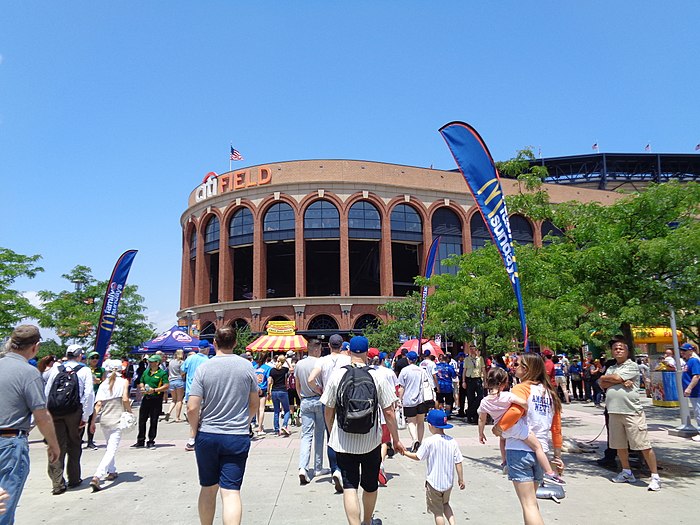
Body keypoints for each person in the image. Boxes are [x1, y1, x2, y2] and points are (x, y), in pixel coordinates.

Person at [321, 336, 406, 525]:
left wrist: (331, 430)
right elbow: (389, 412)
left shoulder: (337, 375)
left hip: (343, 441)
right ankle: (367, 521)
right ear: (367, 352)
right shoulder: (378, 376)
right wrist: (396, 439)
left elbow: (328, 410)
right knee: (369, 485)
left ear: (349, 351)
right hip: (371, 441)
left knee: (350, 485)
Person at [187, 325, 259, 525]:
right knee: (231, 492)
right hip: (237, 435)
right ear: (236, 343)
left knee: (208, 487)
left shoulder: (203, 368)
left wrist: (194, 431)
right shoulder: (246, 367)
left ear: (214, 343)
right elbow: (254, 403)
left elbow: (192, 407)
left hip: (208, 434)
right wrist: (244, 421)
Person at [493, 353, 563, 525]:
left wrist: (499, 428)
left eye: (517, 364)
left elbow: (515, 412)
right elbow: (557, 428)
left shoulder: (521, 388)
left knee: (528, 504)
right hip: (542, 451)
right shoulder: (550, 393)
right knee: (531, 503)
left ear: (528, 369)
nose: (513, 366)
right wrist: (557, 455)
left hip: (519, 449)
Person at [0, 325, 60, 522]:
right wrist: (53, 444)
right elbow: (41, 416)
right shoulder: (29, 373)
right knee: (4, 508)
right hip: (10, 443)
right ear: (36, 347)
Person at [478, 368, 565, 485]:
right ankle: (549, 472)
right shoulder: (507, 396)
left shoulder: (484, 401)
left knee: (502, 440)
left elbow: (481, 419)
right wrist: (526, 410)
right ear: (504, 383)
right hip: (516, 427)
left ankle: (504, 462)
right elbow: (521, 405)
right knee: (537, 447)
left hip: (503, 431)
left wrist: (481, 433)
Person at [600, 336, 661, 491]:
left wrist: (616, 379)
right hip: (614, 411)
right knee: (619, 445)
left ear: (627, 351)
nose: (618, 350)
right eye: (615, 349)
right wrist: (618, 381)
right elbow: (602, 382)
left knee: (642, 444)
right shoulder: (612, 367)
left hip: (631, 411)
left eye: (621, 348)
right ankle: (626, 472)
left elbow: (614, 378)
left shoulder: (632, 365)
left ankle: (654, 476)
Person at [44, 343, 95, 495]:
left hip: (56, 411)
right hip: (74, 412)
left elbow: (47, 392)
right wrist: (85, 416)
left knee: (57, 445)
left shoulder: (56, 369)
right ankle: (74, 478)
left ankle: (57, 483)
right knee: (74, 444)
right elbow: (89, 394)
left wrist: (48, 412)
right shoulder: (84, 370)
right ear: (80, 356)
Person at [402, 409, 464, 525]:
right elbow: (458, 461)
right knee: (445, 504)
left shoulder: (429, 441)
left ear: (430, 425)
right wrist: (461, 479)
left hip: (434, 483)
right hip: (448, 483)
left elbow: (418, 456)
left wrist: (404, 453)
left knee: (437, 512)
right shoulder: (452, 441)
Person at [308, 333, 350, 492]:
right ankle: (345, 470)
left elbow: (311, 379)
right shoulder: (348, 360)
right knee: (345, 435)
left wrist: (319, 390)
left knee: (330, 436)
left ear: (329, 346)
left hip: (328, 400)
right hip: (345, 400)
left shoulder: (322, 360)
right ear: (342, 346)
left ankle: (335, 470)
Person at [88, 359, 132, 491]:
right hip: (117, 417)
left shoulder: (103, 384)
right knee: (111, 449)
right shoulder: (124, 382)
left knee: (109, 446)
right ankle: (98, 475)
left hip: (105, 418)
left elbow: (98, 404)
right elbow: (125, 399)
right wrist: (130, 412)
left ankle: (112, 470)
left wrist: (92, 422)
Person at [295, 339, 326, 484]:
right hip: (319, 400)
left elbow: (297, 384)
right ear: (315, 350)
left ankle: (303, 467)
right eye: (319, 349)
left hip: (305, 400)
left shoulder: (299, 364)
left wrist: (301, 397)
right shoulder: (320, 363)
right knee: (319, 435)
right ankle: (318, 467)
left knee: (306, 436)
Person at [132, 354, 169, 449]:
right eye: (149, 361)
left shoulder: (162, 373)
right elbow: (141, 381)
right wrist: (142, 387)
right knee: (142, 419)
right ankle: (140, 440)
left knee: (153, 420)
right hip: (146, 397)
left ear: (157, 363)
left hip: (156, 398)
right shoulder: (146, 372)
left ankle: (151, 440)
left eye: (152, 361)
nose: (150, 363)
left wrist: (155, 390)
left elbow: (166, 386)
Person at [398, 351, 429, 453]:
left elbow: (401, 387)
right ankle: (419, 442)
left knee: (411, 422)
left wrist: (399, 399)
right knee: (420, 422)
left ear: (408, 359)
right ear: (416, 359)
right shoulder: (421, 370)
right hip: (422, 400)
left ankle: (414, 439)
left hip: (409, 400)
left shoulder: (404, 371)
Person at [183, 341, 211, 451]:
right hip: (202, 393)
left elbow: (182, 370)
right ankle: (195, 440)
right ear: (208, 349)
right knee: (202, 418)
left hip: (189, 392)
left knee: (193, 416)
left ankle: (192, 440)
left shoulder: (190, 359)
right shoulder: (207, 361)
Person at [680, 342, 700, 441]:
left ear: (691, 351)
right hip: (694, 393)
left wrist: (689, 388)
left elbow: (696, 376)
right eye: (682, 350)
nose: (682, 352)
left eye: (684, 350)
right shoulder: (688, 361)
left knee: (698, 411)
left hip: (697, 392)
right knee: (697, 411)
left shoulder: (694, 361)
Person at [85, 351, 105, 450]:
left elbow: (104, 383)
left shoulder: (101, 370)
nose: (95, 360)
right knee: (81, 420)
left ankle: (90, 441)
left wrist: (99, 381)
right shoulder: (85, 369)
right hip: (84, 398)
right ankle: (78, 440)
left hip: (95, 396)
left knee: (91, 420)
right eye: (93, 358)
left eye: (97, 358)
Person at [268, 355, 292, 436]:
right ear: (283, 361)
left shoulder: (272, 370)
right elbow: (292, 369)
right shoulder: (285, 370)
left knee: (276, 411)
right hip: (283, 390)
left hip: (274, 391)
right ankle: (284, 425)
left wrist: (269, 392)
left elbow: (269, 382)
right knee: (287, 410)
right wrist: (287, 361)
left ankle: (276, 429)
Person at [462, 345, 485, 425]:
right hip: (470, 379)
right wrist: (463, 381)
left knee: (480, 397)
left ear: (476, 350)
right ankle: (471, 417)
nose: (472, 351)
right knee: (470, 398)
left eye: (473, 349)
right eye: (470, 349)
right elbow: (464, 371)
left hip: (478, 379)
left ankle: (470, 412)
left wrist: (485, 381)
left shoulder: (480, 359)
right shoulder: (467, 359)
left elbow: (483, 370)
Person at [253, 354, 273, 437]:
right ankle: (260, 428)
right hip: (263, 389)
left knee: (257, 409)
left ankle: (259, 424)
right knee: (261, 409)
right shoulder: (267, 368)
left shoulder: (255, 368)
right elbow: (269, 380)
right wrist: (269, 391)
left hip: (255, 389)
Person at [166, 349, 186, 422]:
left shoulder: (171, 362)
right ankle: (177, 417)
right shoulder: (181, 362)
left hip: (171, 381)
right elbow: (182, 373)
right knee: (179, 400)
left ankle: (169, 412)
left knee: (173, 399)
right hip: (179, 380)